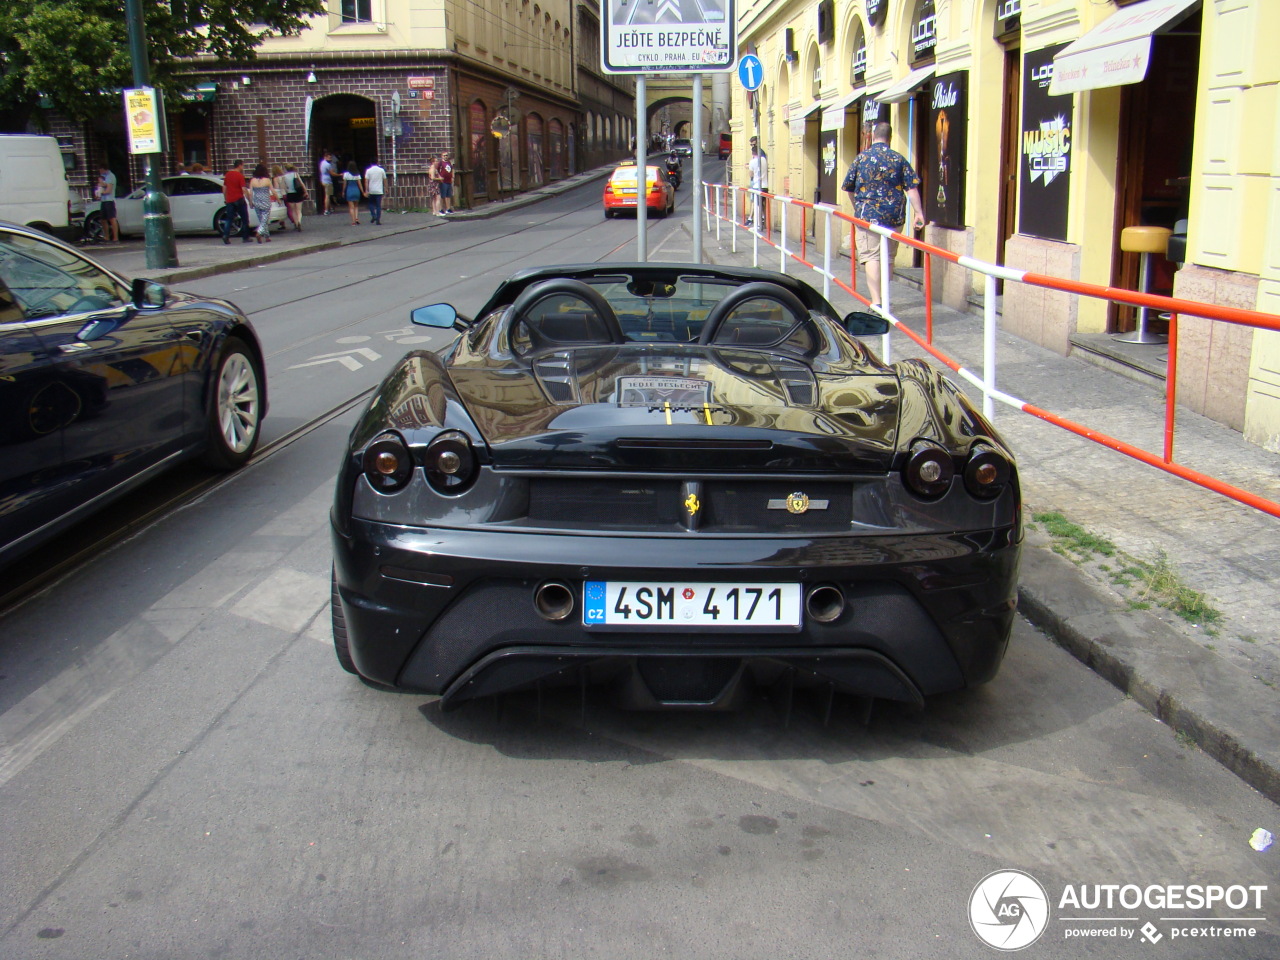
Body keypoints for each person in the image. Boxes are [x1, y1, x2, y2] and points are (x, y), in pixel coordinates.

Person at [842, 121, 926, 309]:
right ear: (890, 138)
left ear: (872, 136)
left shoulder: (861, 158)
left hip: (867, 215)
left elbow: (848, 187)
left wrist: (858, 206)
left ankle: (877, 301)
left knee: (871, 256)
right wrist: (919, 213)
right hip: (893, 215)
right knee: (887, 257)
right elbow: (912, 188)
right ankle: (885, 296)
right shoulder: (898, 159)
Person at [221, 159, 251, 244]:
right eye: (243, 165)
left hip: (230, 200)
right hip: (239, 199)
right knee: (245, 219)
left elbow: (224, 188)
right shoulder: (240, 176)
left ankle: (226, 235)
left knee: (229, 219)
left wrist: (225, 198)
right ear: (240, 165)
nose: (243, 167)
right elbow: (244, 189)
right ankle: (245, 237)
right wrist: (249, 200)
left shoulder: (228, 175)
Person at [247, 163, 276, 243]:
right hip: (266, 201)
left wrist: (250, 202)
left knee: (261, 220)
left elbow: (251, 193)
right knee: (265, 220)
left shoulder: (252, 180)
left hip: (257, 201)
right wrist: (278, 199)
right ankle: (259, 233)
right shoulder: (267, 180)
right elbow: (273, 191)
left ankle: (267, 236)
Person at [96, 162, 119, 243]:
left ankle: (115, 238)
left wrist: (101, 192)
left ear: (103, 169)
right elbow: (101, 185)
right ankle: (106, 237)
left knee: (112, 218)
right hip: (104, 200)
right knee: (103, 219)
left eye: (100, 170)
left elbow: (109, 190)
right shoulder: (104, 176)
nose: (99, 172)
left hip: (109, 200)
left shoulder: (110, 176)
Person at [746, 141, 768, 229]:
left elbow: (751, 174)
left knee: (756, 204)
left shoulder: (752, 162)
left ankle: (756, 223)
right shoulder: (764, 160)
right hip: (765, 185)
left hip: (756, 185)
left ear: (753, 153)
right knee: (762, 204)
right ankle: (763, 219)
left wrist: (750, 169)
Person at [281, 162, 308, 231]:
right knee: (299, 210)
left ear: (286, 169)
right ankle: (299, 221)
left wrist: (285, 192)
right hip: (298, 193)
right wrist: (305, 191)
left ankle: (296, 224)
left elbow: (283, 187)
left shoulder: (284, 177)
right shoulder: (295, 174)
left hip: (290, 194)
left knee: (293, 210)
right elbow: (301, 183)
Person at [364, 157, 386, 225]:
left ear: (371, 163)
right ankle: (378, 220)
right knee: (378, 206)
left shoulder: (368, 171)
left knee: (371, 204)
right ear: (377, 162)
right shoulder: (381, 170)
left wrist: (366, 190)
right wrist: (386, 188)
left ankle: (373, 215)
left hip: (372, 190)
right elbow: (384, 180)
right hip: (379, 190)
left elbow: (366, 181)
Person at [317, 151, 334, 215]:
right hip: (328, 181)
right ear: (325, 157)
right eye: (329, 157)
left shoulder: (322, 163)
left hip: (323, 180)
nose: (330, 159)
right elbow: (332, 173)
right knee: (327, 196)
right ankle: (326, 210)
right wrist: (339, 175)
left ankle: (330, 207)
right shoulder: (328, 164)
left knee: (328, 194)